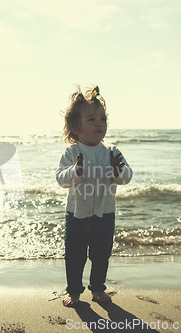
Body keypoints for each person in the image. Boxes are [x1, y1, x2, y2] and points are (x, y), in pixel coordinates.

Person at [55, 86, 132, 307]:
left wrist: (119, 171)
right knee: (74, 258)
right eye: (91, 119)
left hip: (104, 216)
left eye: (102, 119)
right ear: (75, 128)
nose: (99, 123)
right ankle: (75, 292)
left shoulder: (112, 152)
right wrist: (75, 172)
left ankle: (98, 289)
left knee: (101, 257)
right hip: (76, 216)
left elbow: (127, 176)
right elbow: (61, 179)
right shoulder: (71, 153)